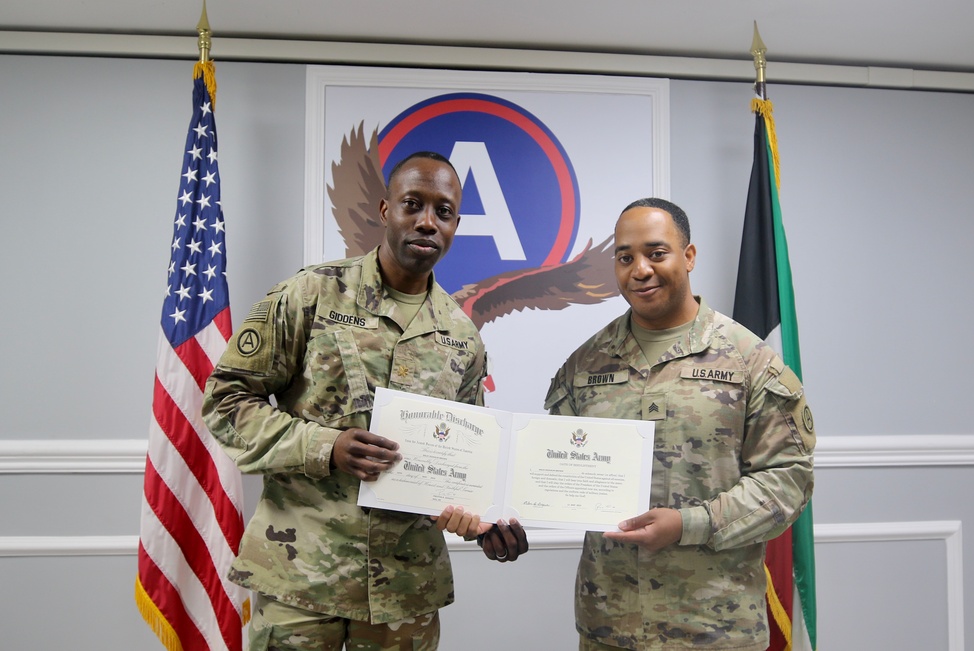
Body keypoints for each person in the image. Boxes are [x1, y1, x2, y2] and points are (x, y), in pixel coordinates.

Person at [203, 151, 523, 650]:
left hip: (405, 594)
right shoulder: (312, 294)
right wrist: (323, 445)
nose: (426, 221)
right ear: (384, 210)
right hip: (302, 578)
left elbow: (464, 462)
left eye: (442, 211)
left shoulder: (463, 337)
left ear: (456, 224)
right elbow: (226, 401)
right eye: (412, 204)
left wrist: (484, 522)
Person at [544, 197, 815, 651]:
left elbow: (789, 480)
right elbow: (557, 469)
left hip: (714, 627)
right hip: (610, 626)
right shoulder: (585, 364)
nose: (640, 269)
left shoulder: (748, 360)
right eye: (625, 257)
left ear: (688, 257)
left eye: (656, 253)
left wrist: (692, 523)